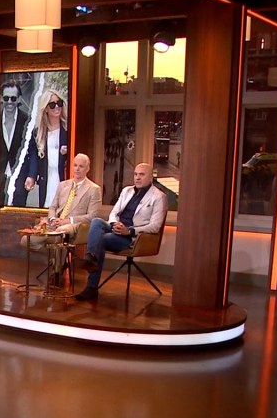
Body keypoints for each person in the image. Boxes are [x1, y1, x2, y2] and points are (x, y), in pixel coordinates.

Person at [74, 163, 168, 301]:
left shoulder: (159, 197)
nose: (137, 178)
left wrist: (129, 230)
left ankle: (91, 287)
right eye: (135, 174)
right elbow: (114, 213)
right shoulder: (127, 191)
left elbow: (155, 226)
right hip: (117, 227)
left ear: (150, 177)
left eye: (142, 175)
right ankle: (90, 257)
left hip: (132, 237)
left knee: (101, 239)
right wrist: (114, 223)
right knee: (96, 221)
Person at [20, 153, 102, 280]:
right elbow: (53, 207)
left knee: (61, 232)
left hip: (74, 225)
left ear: (87, 168)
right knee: (26, 240)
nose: (77, 169)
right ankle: (55, 259)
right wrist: (53, 219)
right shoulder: (63, 185)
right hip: (54, 223)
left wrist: (68, 221)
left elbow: (93, 216)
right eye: (75, 165)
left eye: (81, 166)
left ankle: (57, 269)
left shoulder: (93, 189)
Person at [16, 89, 69, 208]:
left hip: (64, 178)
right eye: (52, 105)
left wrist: (67, 153)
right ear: (45, 109)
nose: (57, 107)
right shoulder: (38, 133)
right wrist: (32, 176)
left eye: (59, 103)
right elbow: (34, 157)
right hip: (47, 178)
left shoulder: (68, 130)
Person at [0, 81, 30, 206]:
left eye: (13, 98)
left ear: (19, 99)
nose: (10, 102)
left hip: (20, 175)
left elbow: (32, 149)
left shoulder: (26, 120)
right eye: (6, 98)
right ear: (1, 98)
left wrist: (31, 175)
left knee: (18, 209)